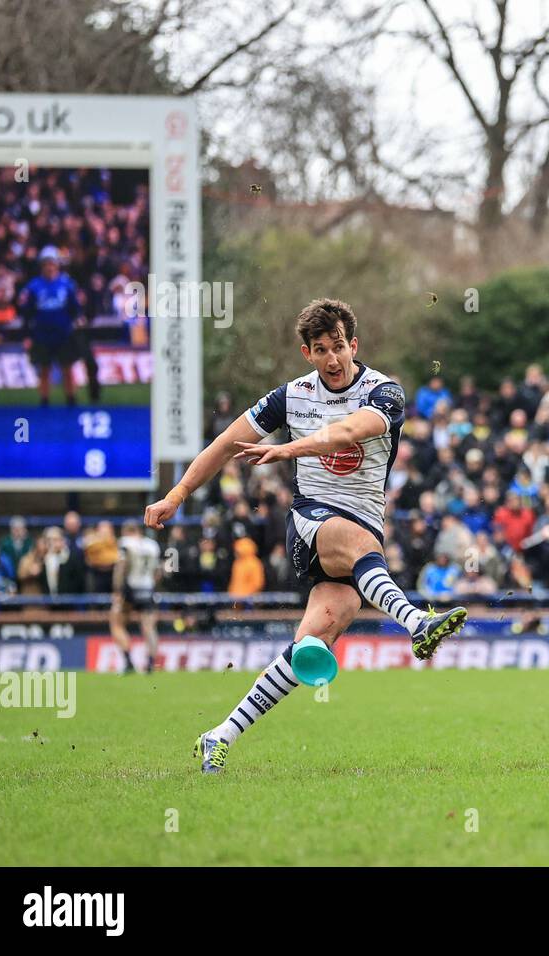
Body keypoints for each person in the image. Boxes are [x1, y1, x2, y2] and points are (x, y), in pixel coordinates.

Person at [144, 298, 467, 774]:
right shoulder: (290, 396)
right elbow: (223, 445)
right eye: (321, 349)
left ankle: (218, 735)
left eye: (339, 347)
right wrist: (177, 493)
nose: (333, 359)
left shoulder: (385, 393)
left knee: (310, 648)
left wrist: (285, 449)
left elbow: (344, 434)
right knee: (359, 545)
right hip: (314, 522)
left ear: (353, 345)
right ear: (306, 354)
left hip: (362, 531)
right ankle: (416, 622)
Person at [17, 247, 85, 406]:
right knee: (44, 370)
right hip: (42, 334)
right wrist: (27, 335)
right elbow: (27, 313)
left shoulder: (67, 284)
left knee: (67, 368)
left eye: (52, 263)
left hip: (64, 333)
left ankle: (70, 399)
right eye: (46, 264)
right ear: (42, 266)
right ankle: (45, 400)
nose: (49, 267)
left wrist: (78, 323)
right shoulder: (34, 286)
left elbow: (75, 308)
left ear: (57, 265)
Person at [110, 522, 162, 674]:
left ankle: (128, 661)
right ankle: (151, 664)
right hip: (148, 588)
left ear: (126, 531)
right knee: (149, 627)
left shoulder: (125, 543)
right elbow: (157, 572)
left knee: (116, 623)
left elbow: (121, 567)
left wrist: (118, 590)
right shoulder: (152, 545)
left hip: (130, 589)